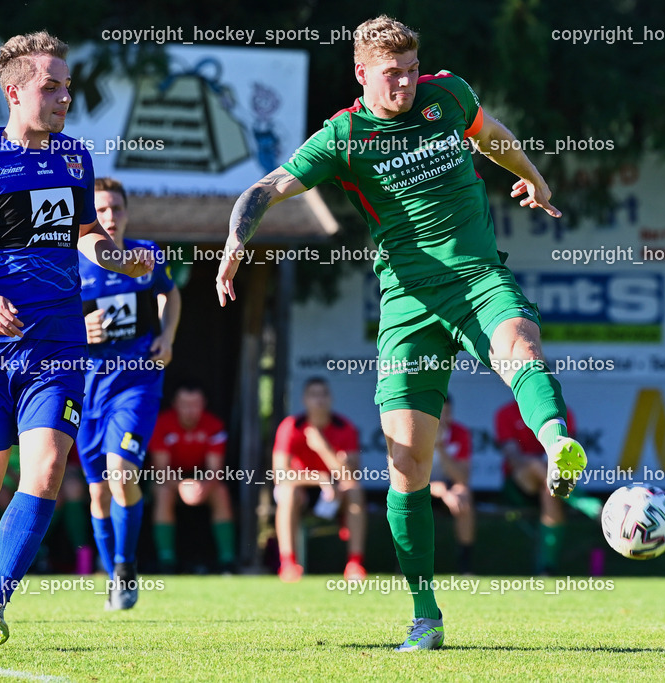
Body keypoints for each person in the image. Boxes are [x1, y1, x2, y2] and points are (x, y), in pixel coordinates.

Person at [215, 15, 587, 650]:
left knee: (520, 343)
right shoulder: (345, 136)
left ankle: (557, 445)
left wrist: (532, 174)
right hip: (408, 305)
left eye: (412, 69)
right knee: (407, 461)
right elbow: (271, 186)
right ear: (361, 74)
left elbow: (490, 135)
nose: (406, 83)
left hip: (476, 279)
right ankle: (425, 613)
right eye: (392, 74)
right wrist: (233, 238)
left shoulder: (449, 95)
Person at [0, 30, 153, 646]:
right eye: (50, 88)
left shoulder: (75, 158)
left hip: (59, 344)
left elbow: (81, 233)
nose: (63, 99)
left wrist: (114, 256)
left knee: (46, 470)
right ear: (13, 90)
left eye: (67, 88)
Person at [78, 176, 180, 608]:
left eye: (116, 209)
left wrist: (167, 337)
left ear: (127, 212)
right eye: (100, 211)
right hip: (85, 390)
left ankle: (125, 566)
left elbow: (170, 295)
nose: (110, 218)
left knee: (122, 473)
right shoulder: (70, 263)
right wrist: (80, 330)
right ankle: (113, 576)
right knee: (98, 491)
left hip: (137, 382)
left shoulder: (146, 254)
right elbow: (47, 324)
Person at [271, 377, 366, 583]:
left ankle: (354, 564)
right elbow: (279, 474)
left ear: (330, 398)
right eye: (314, 395)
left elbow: (350, 476)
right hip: (302, 491)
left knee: (355, 490)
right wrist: (320, 478)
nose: (319, 400)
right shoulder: (291, 427)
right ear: (304, 399)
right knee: (287, 492)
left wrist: (322, 447)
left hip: (334, 494)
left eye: (323, 394)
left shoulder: (344, 427)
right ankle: (288, 563)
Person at [496, 402, 600, 573]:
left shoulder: (561, 412)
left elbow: (570, 455)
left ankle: (546, 568)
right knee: (537, 466)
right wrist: (545, 464)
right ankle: (584, 502)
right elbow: (514, 459)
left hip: (551, 487)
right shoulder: (505, 413)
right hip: (519, 487)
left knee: (549, 490)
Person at [149, 384, 235, 574]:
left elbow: (215, 470)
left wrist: (203, 485)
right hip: (168, 480)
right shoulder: (161, 423)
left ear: (203, 404)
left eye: (195, 404)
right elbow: (160, 469)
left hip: (201, 479)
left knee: (221, 491)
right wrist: (182, 485)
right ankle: (166, 561)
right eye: (185, 404)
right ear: (175, 404)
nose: (190, 410)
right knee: (163, 493)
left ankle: (227, 562)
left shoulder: (214, 425)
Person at [429, 396, 475, 575]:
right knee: (407, 499)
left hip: (449, 490)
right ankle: (406, 565)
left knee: (464, 495)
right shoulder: (415, 434)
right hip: (422, 489)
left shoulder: (460, 433)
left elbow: (462, 477)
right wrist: (440, 491)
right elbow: (406, 479)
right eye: (439, 413)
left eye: (447, 413)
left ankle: (465, 566)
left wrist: (440, 446)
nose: (443, 419)